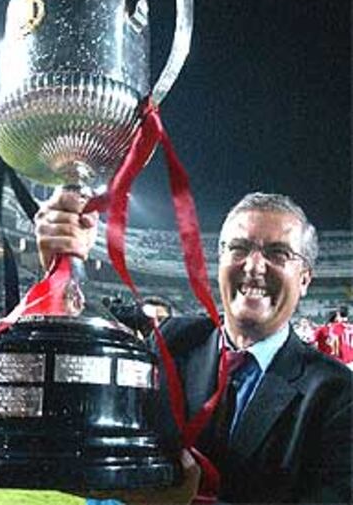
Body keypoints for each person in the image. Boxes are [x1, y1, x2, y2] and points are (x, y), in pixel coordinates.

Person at [35, 190, 352, 504]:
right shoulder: (174, 343)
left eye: (278, 253)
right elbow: (86, 422)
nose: (254, 266)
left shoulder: (338, 395)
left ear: (305, 279)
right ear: (220, 262)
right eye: (239, 248)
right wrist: (63, 274)